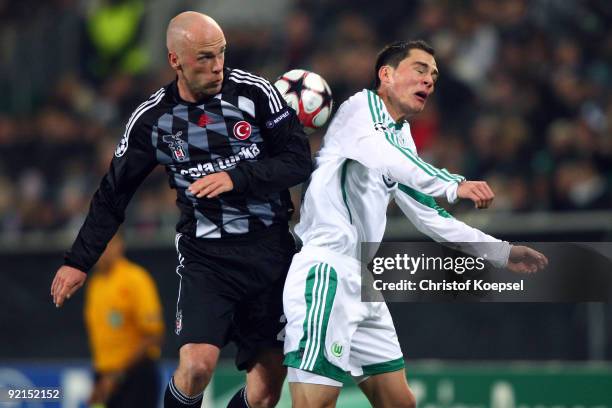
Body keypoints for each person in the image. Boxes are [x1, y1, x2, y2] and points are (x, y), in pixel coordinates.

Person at [51, 11, 312, 408]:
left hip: (272, 253)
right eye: (205, 57)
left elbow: (298, 160)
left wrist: (237, 177)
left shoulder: (256, 93)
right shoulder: (153, 120)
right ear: (176, 61)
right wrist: (79, 261)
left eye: (221, 53)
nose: (218, 65)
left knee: (265, 392)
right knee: (196, 367)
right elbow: (112, 195)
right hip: (208, 259)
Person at [282, 40, 548, 407]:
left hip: (361, 281)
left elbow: (431, 216)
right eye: (420, 69)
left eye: (434, 76)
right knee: (315, 403)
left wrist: (501, 252)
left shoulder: (400, 139)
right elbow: (392, 160)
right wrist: (453, 184)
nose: (429, 81)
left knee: (400, 403)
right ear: (386, 75)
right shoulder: (359, 110)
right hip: (326, 269)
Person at [85, 232, 164, 408]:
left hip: (135, 377)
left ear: (119, 245)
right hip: (105, 376)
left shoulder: (135, 279)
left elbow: (153, 335)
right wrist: (101, 379)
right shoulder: (95, 284)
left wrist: (117, 375)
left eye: (104, 244)